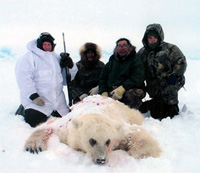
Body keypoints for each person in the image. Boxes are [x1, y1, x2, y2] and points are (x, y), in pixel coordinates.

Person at [15, 32, 70, 127]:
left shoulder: (56, 58)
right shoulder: (29, 58)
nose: (47, 47)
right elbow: (24, 78)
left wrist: (70, 65)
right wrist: (33, 96)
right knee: (34, 123)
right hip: (37, 101)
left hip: (58, 102)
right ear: (39, 44)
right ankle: (23, 109)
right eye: (44, 44)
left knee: (66, 124)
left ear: (53, 45)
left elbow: (67, 80)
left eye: (49, 44)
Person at [137, 23, 187, 120]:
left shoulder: (171, 49)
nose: (152, 40)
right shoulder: (142, 52)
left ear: (159, 37)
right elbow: (138, 68)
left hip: (171, 80)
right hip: (154, 84)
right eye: (150, 38)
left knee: (169, 96)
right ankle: (156, 103)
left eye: (154, 38)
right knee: (157, 109)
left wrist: (175, 75)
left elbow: (181, 62)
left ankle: (173, 106)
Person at [98, 38, 145, 109]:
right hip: (113, 91)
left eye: (124, 45)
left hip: (129, 89)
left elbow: (138, 77)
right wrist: (103, 92)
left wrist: (122, 88)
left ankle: (131, 113)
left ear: (129, 47)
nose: (122, 48)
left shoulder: (135, 60)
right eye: (119, 46)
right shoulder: (111, 62)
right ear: (116, 48)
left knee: (131, 94)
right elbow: (103, 78)